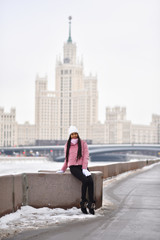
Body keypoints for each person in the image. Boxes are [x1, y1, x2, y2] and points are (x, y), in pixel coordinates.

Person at [57, 126, 95, 215]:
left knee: (91, 181)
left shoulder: (83, 144)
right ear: (70, 135)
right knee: (85, 180)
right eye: (72, 134)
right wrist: (63, 169)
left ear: (78, 134)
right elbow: (67, 159)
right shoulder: (67, 145)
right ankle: (83, 203)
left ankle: (91, 203)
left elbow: (86, 157)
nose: (74, 136)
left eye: (75, 134)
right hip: (73, 167)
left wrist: (84, 168)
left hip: (83, 167)